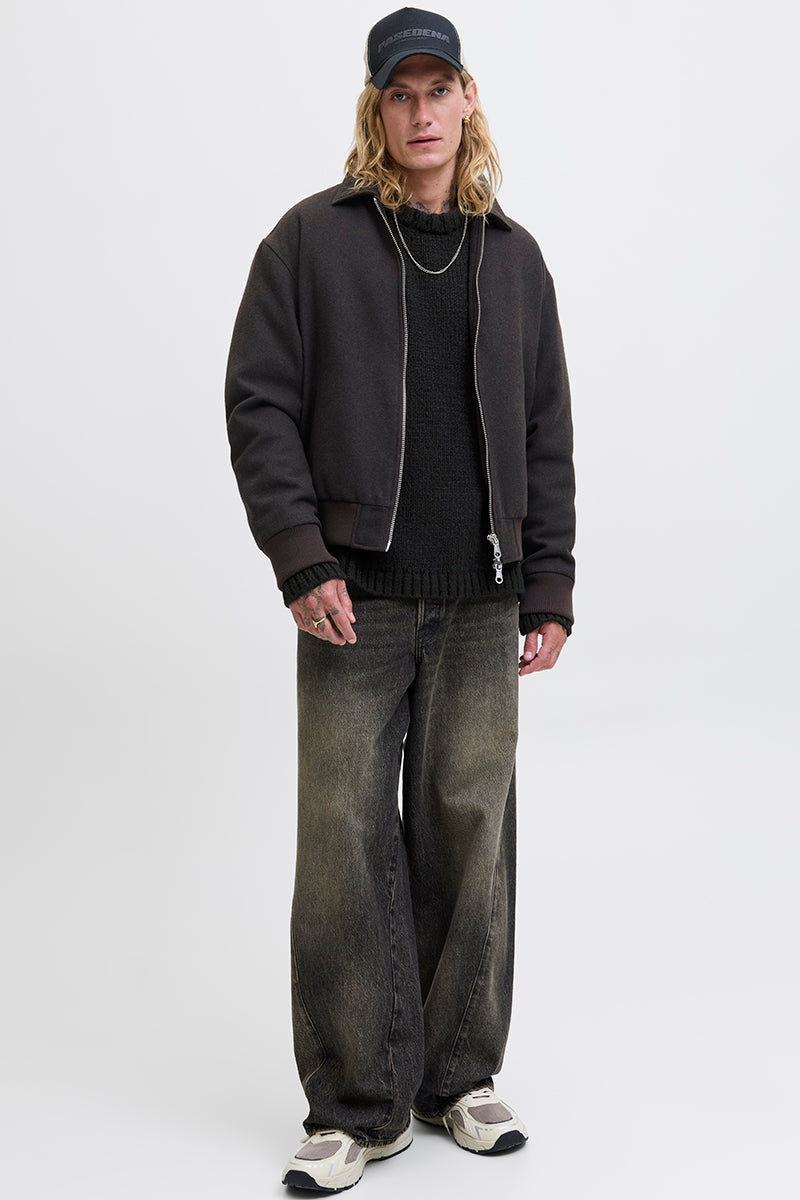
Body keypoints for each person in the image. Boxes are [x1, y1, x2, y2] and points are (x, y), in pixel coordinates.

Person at [225, 7, 576, 1191]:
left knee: (471, 834)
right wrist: (301, 558)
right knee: (341, 843)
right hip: (352, 598)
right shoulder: (309, 243)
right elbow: (259, 404)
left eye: (438, 89)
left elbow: (544, 432)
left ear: (468, 100)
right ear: (375, 110)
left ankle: (455, 1078)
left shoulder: (513, 258)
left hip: (481, 602)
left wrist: (547, 582)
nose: (420, 112)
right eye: (399, 93)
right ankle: (353, 1105)